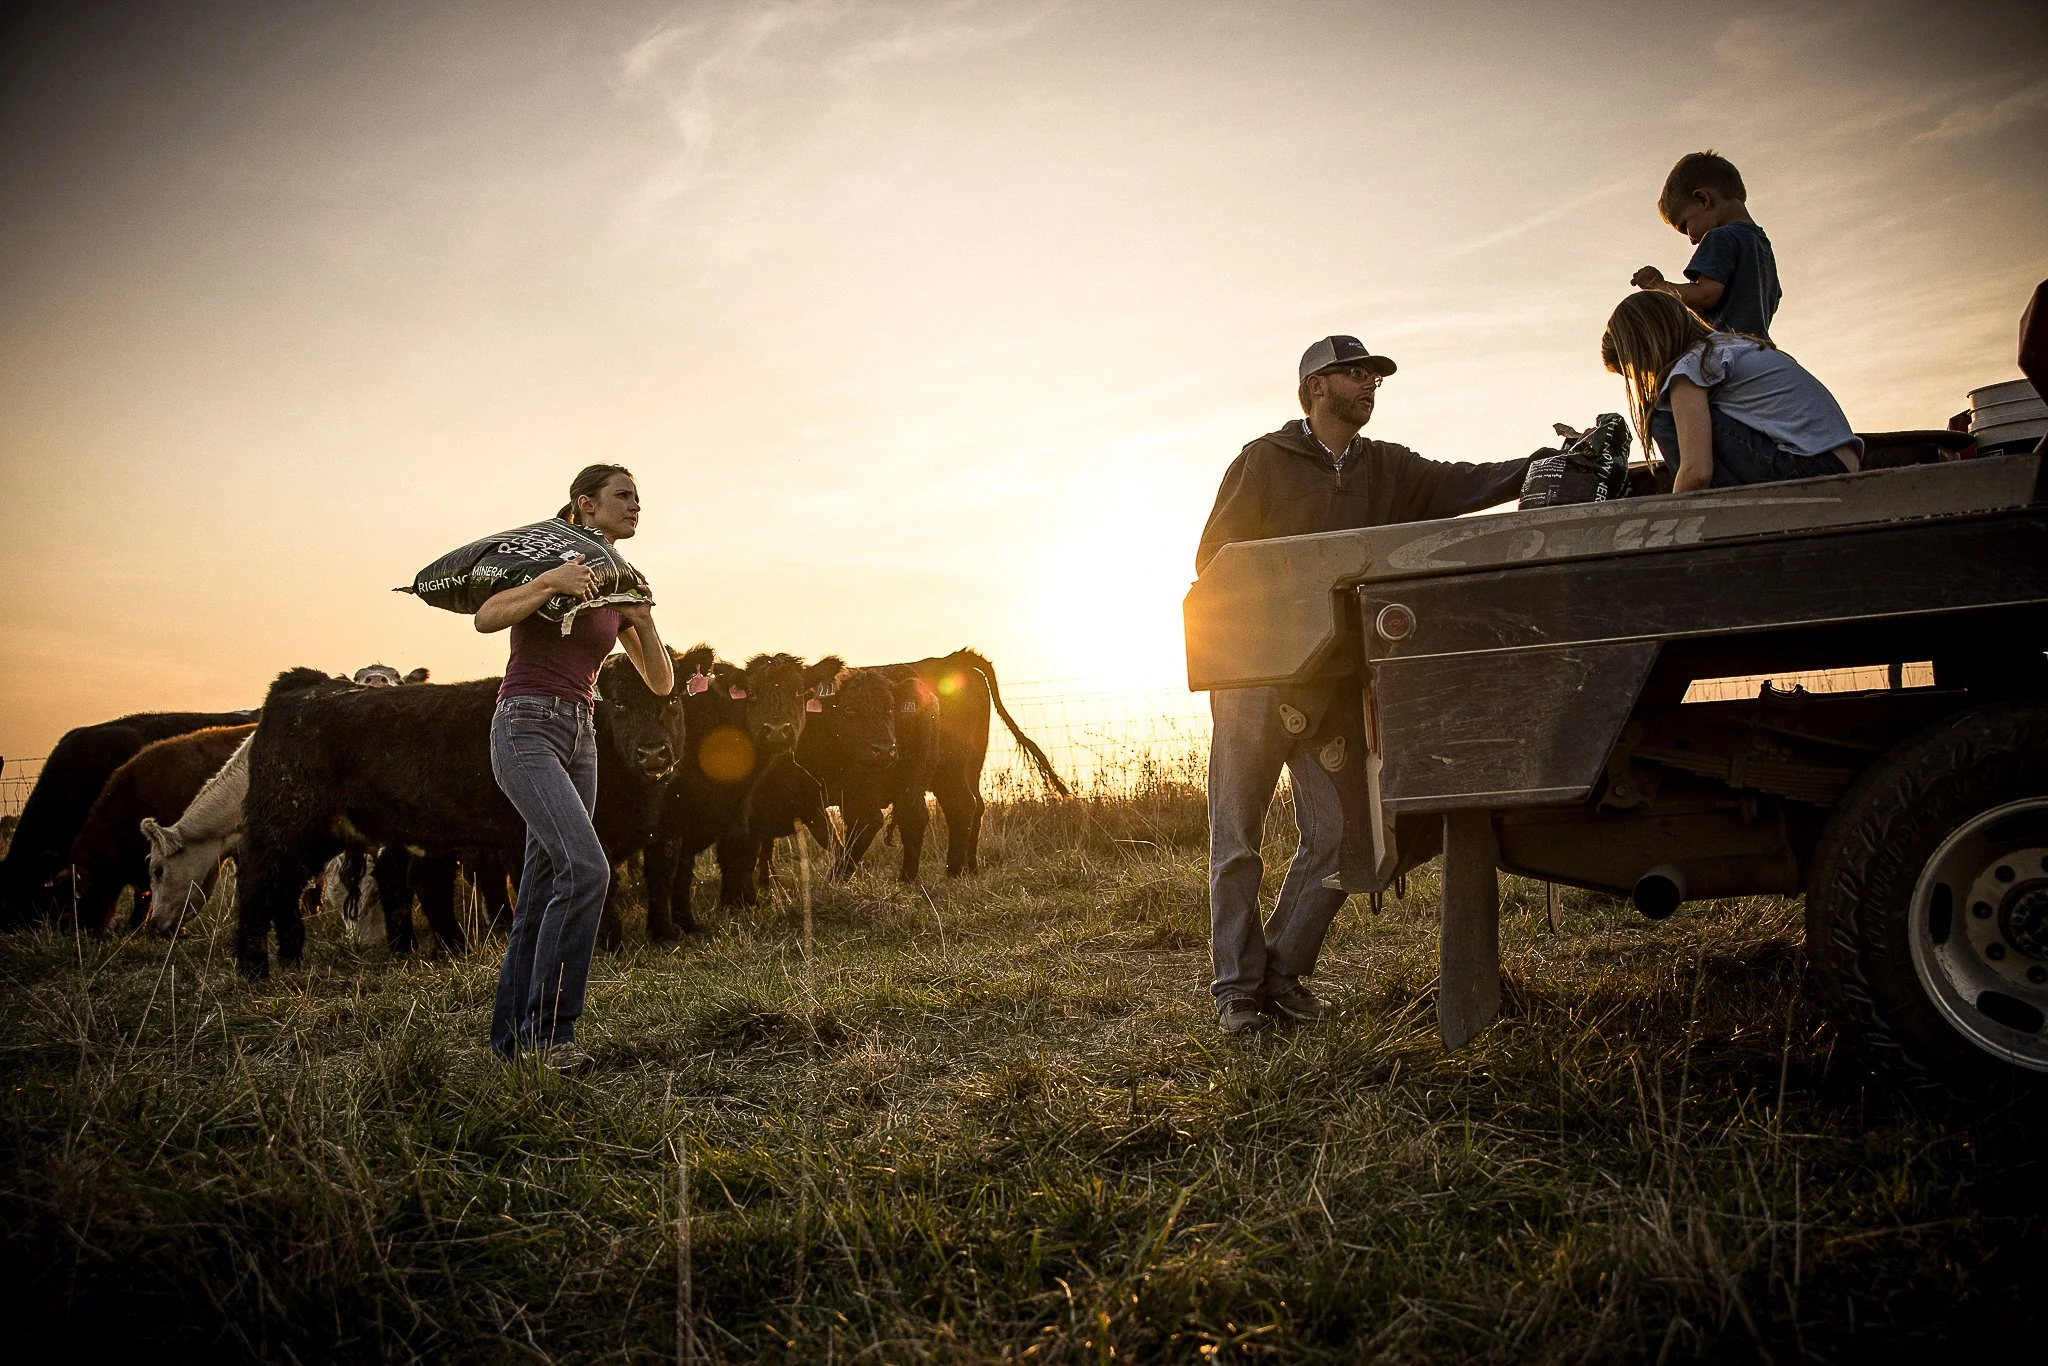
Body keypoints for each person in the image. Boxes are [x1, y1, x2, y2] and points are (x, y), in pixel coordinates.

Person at [1197, 336, 1533, 1036]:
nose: (1370, 384)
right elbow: (1214, 560)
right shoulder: (1263, 461)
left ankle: (1281, 974)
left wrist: (1542, 464)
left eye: (1375, 375)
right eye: (1356, 374)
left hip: (1334, 685)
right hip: (1256, 677)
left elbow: (1465, 480)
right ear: (1317, 386)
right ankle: (1236, 994)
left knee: (1342, 835)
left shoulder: (1389, 467)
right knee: (1238, 838)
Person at [477, 463, 674, 1070]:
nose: (636, 505)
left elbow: (662, 683)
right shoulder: (552, 558)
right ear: (586, 505)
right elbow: (486, 617)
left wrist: (643, 621)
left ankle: (511, 1046)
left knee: (541, 889)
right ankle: (553, 1038)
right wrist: (550, 584)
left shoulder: (622, 581)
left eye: (638, 497)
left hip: (580, 735)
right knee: (587, 869)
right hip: (525, 726)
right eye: (623, 496)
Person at [1602, 291, 1861, 492]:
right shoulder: (1730, 347)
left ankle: (1718, 515)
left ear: (1646, 347)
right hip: (1840, 464)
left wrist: (1679, 520)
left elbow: (1697, 472)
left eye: (1634, 368)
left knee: (1661, 416)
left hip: (1812, 469)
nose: (1644, 375)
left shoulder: (1690, 367)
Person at [1630, 151, 1780, 341]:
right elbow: (1773, 301)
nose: (1692, 240)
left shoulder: (1719, 237)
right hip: (1760, 345)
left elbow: (1706, 295)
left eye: (1685, 226)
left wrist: (1658, 286)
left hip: (1727, 348)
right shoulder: (1762, 246)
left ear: (1703, 199)